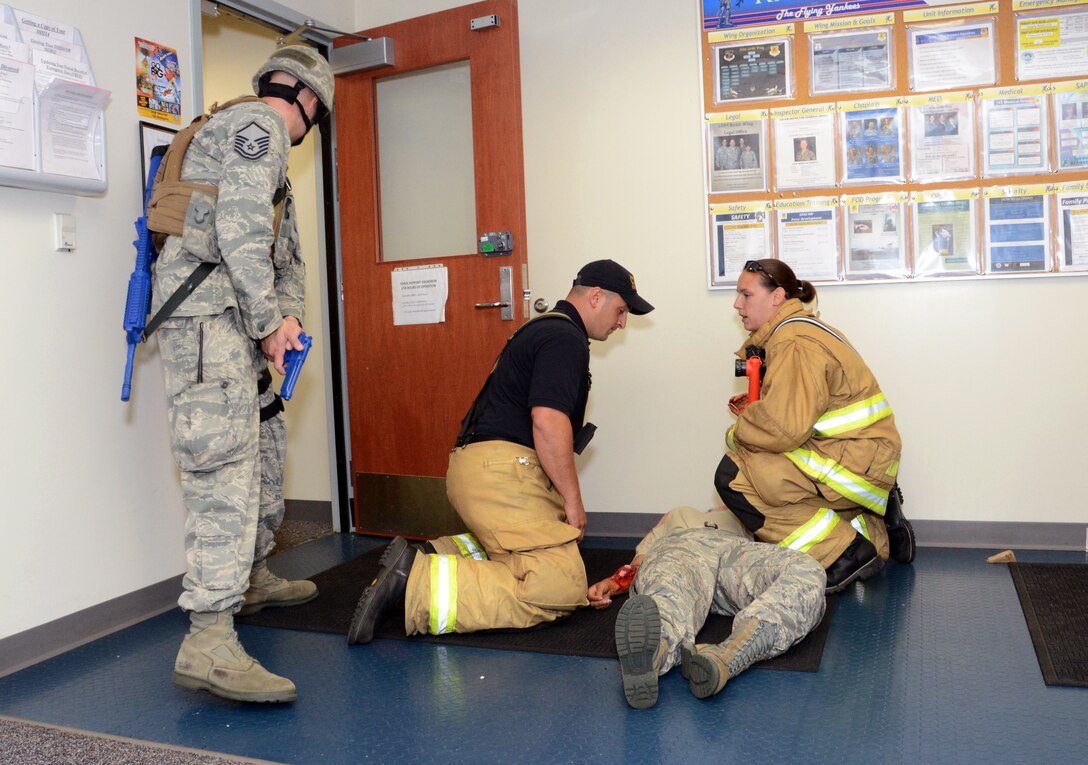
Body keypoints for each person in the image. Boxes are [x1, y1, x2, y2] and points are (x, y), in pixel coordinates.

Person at [151, 44, 334, 703]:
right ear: (310, 102)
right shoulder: (258, 127)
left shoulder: (252, 145)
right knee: (223, 476)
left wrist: (280, 324)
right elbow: (239, 228)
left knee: (262, 449)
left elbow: (284, 259)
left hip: (237, 331)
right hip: (212, 329)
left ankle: (251, 576)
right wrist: (267, 324)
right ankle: (208, 638)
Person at [348, 260, 655, 644]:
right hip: (502, 473)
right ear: (596, 297)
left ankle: (435, 556)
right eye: (622, 311)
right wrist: (573, 503)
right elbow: (547, 421)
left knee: (523, 557)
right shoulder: (565, 339)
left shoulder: (538, 328)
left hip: (477, 470)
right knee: (560, 587)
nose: (623, 322)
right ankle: (414, 583)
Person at [715, 259, 914, 595]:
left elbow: (783, 429)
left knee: (734, 476)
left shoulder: (793, 342)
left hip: (854, 462)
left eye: (746, 295)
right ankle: (870, 537)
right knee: (765, 468)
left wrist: (739, 431)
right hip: (862, 455)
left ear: (777, 296)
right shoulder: (803, 329)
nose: (737, 304)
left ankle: (843, 554)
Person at [587, 506, 825, 709]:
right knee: (668, 588)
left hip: (735, 554)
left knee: (806, 570)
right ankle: (651, 653)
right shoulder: (678, 514)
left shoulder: (743, 512)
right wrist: (611, 583)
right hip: (683, 547)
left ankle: (727, 656)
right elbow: (638, 564)